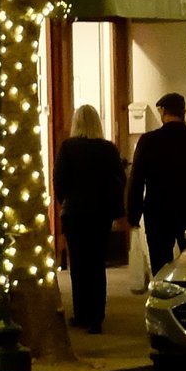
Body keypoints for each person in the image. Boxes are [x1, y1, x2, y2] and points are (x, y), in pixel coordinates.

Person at [125, 93, 186, 274]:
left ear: (162, 111)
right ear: (183, 112)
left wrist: (133, 215)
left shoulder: (149, 141)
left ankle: (165, 297)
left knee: (161, 265)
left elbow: (136, 179)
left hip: (158, 212)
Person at [53, 106, 124, 333]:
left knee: (79, 265)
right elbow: (120, 179)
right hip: (100, 213)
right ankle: (96, 317)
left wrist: (66, 201)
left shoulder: (67, 148)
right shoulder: (108, 149)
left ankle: (81, 312)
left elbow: (59, 181)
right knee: (96, 264)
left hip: (74, 212)